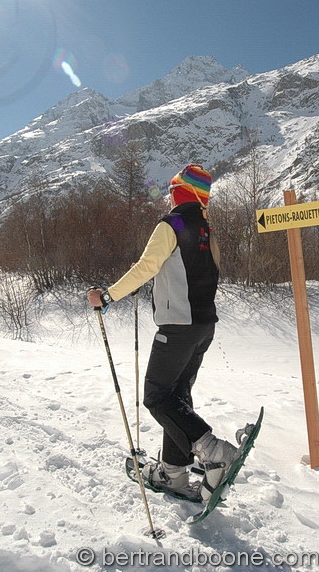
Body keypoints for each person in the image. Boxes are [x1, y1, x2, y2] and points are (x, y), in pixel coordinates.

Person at [87, 164, 238, 501]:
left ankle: (215, 453)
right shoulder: (205, 229)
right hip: (203, 328)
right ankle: (173, 474)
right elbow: (182, 270)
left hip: (178, 327)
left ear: (181, 193)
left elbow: (146, 266)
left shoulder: (174, 223)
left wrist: (108, 296)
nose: (168, 197)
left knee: (157, 395)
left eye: (172, 191)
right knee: (177, 398)